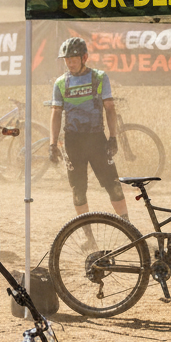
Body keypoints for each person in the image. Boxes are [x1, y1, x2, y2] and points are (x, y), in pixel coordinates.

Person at [48, 37, 128, 219]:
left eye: (73, 58)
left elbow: (109, 108)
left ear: (84, 57)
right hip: (73, 142)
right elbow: (56, 113)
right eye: (66, 59)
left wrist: (113, 137)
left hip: (96, 140)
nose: (70, 63)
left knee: (113, 186)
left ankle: (128, 227)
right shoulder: (60, 83)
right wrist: (52, 144)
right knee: (78, 191)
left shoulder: (99, 77)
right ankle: (88, 237)